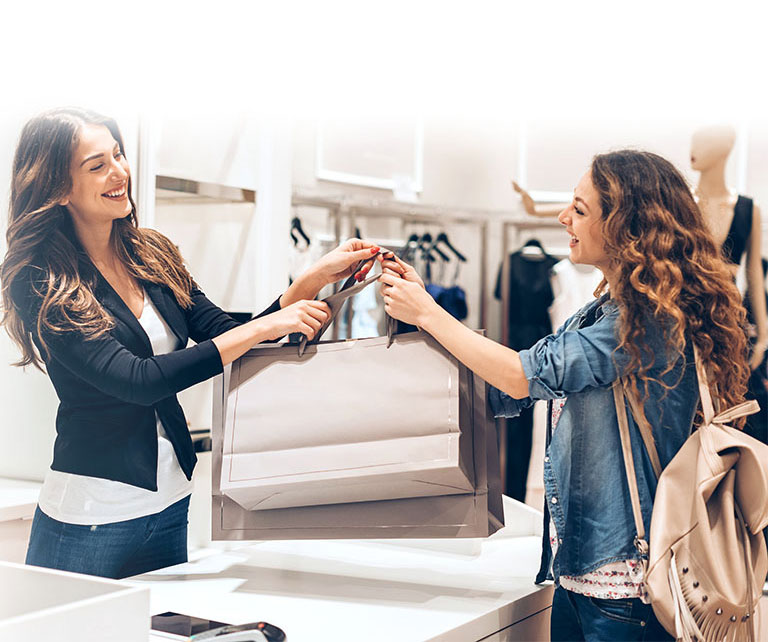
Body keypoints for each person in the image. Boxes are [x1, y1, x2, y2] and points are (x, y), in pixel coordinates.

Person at [380, 150, 750, 641]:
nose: (562, 218)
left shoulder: (646, 324)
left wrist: (430, 314)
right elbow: (507, 388)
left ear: (623, 226)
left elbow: (520, 376)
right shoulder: (597, 315)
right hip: (579, 576)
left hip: (630, 591)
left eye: (579, 209)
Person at [0, 107, 379, 579]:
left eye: (118, 155)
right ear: (56, 187)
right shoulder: (43, 281)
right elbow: (136, 381)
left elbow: (226, 336)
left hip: (170, 499)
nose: (119, 173)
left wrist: (310, 279)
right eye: (96, 165)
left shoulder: (150, 253)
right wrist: (263, 327)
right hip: (92, 514)